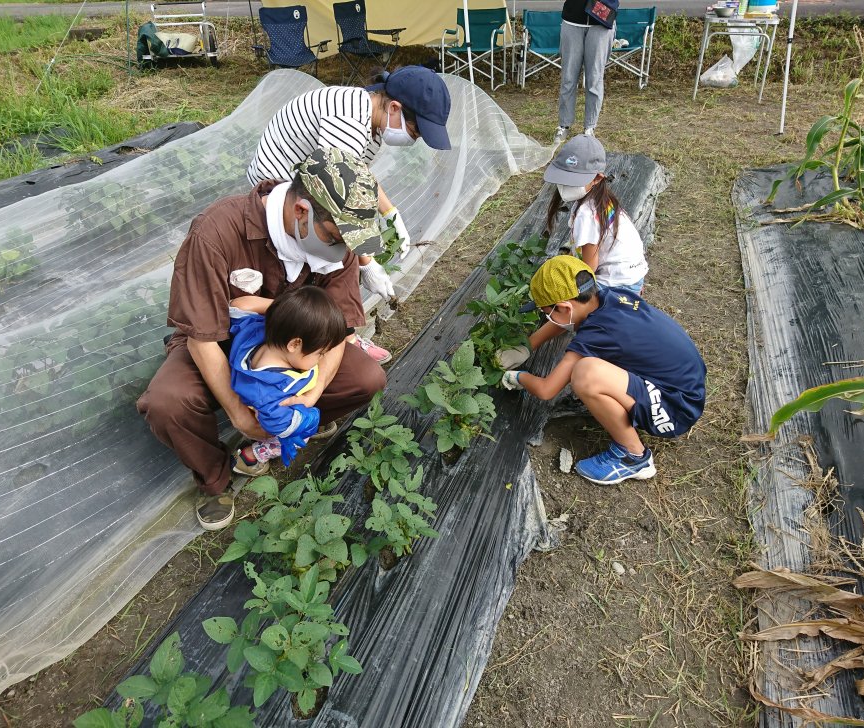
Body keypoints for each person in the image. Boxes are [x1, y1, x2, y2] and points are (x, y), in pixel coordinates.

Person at [137, 147, 387, 531]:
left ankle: (290, 425)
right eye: (336, 237)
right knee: (168, 402)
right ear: (301, 211)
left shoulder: (338, 248)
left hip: (299, 350)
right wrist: (240, 414)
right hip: (222, 342)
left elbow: (338, 335)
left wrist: (312, 393)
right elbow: (201, 337)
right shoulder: (218, 231)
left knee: (365, 379)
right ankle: (216, 478)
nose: (343, 250)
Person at [246, 65, 453, 363]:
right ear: (394, 107)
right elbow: (337, 197)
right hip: (278, 194)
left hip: (308, 184)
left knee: (345, 249)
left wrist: (391, 212)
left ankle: (338, 331)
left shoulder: (371, 117)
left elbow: (357, 173)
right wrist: (367, 264)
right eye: (415, 131)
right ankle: (330, 336)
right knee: (337, 250)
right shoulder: (348, 122)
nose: (414, 139)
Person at [499, 256, 706, 485]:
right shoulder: (610, 296)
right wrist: (528, 346)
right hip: (685, 385)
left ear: (564, 308)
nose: (547, 318)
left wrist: (517, 377)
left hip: (675, 408)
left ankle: (633, 457)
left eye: (547, 312)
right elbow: (564, 317)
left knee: (586, 373)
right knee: (590, 367)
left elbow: (547, 390)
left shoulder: (597, 333)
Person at [228, 287, 347, 477]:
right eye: (320, 353)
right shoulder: (272, 392)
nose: (321, 358)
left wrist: (291, 313)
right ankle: (252, 456)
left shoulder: (256, 332)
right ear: (295, 344)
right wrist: (310, 418)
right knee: (297, 437)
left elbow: (238, 305)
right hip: (268, 419)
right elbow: (279, 425)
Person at [544, 135, 648, 293]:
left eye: (574, 180)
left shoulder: (587, 214)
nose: (565, 185)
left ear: (597, 178)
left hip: (618, 284)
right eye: (563, 178)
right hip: (633, 276)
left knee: (559, 298)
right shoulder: (601, 200)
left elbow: (589, 269)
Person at [553, 0, 616, 144]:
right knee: (568, 78)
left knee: (594, 78)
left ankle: (590, 127)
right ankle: (564, 125)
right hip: (572, 21)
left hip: (601, 21)